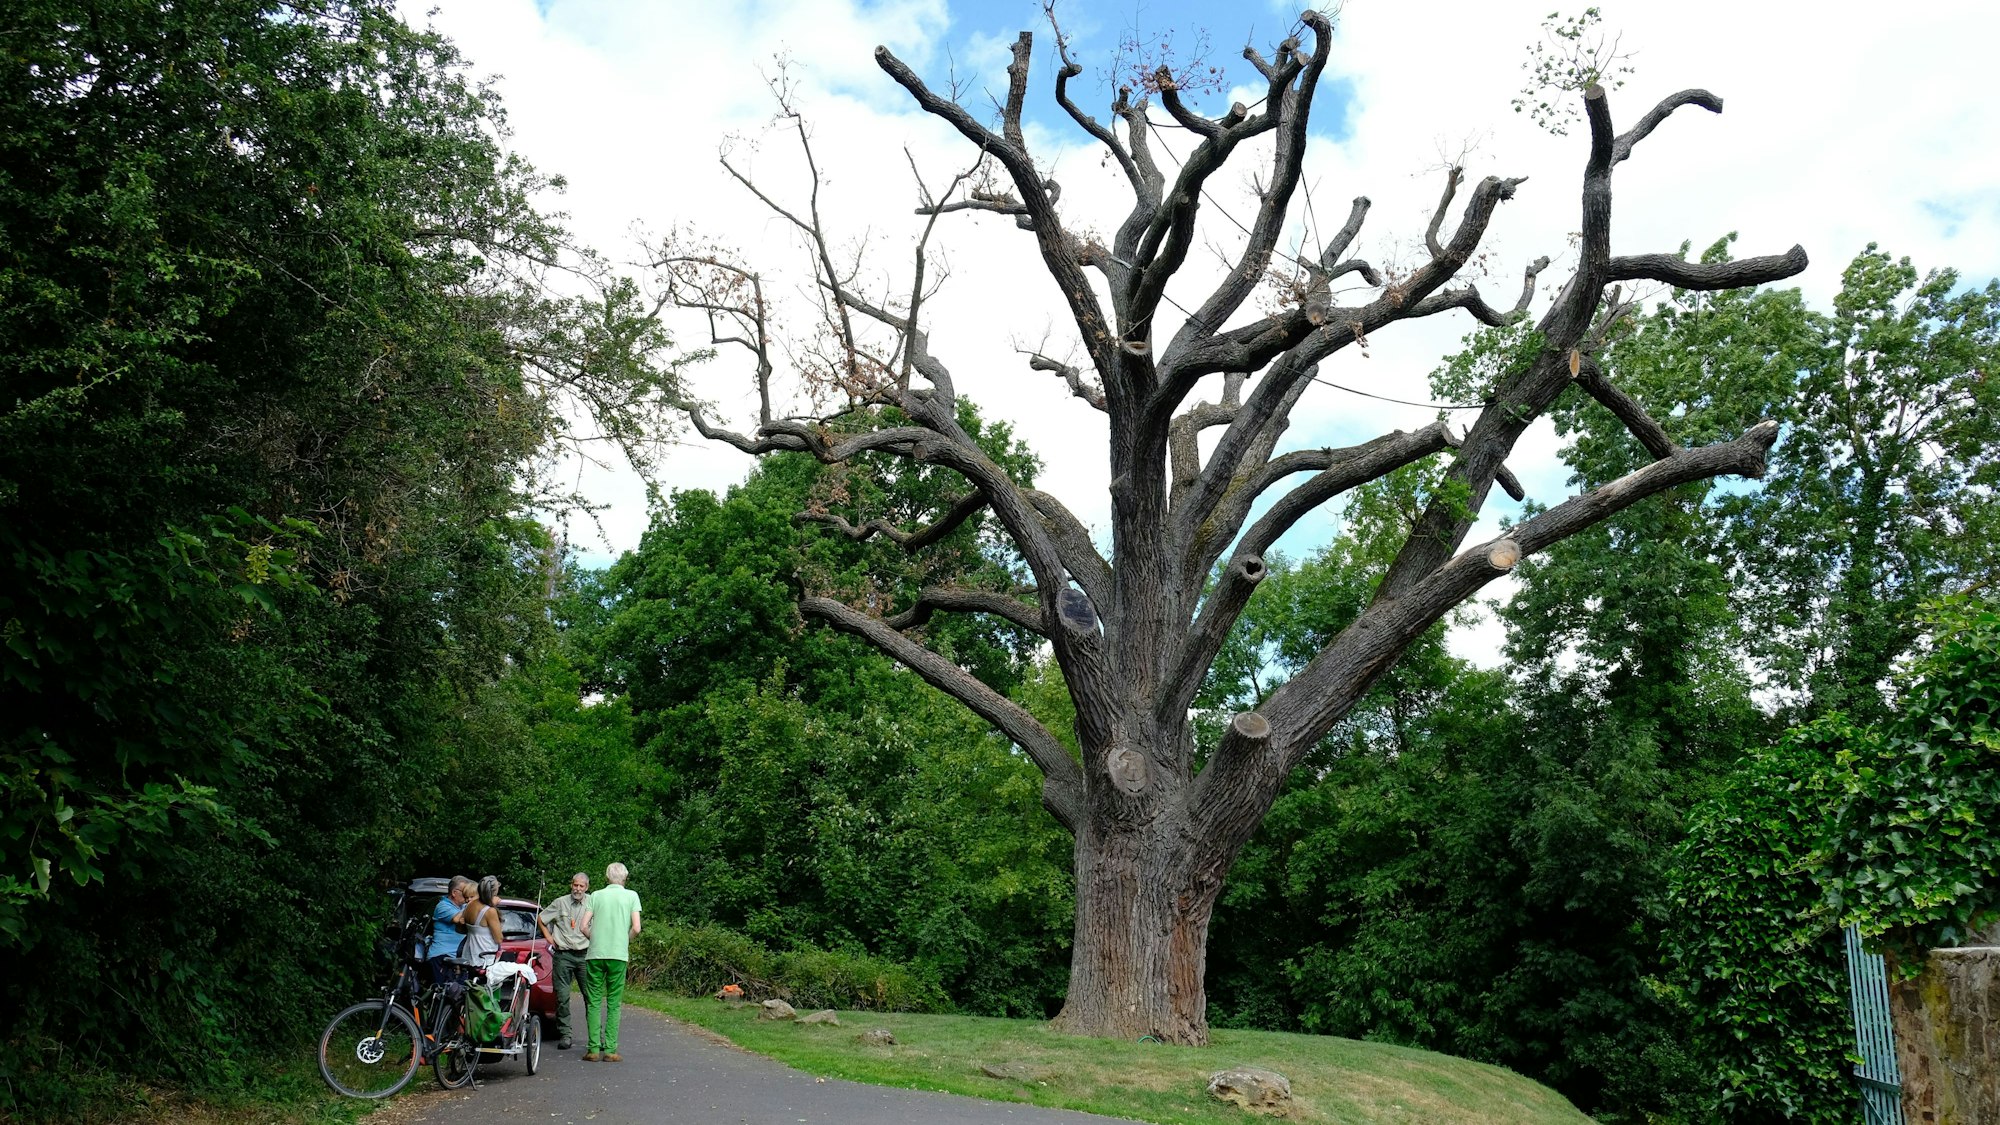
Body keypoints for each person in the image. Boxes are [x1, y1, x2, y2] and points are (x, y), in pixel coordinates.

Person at [578, 861, 641, 1062]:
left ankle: (593, 1049)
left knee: (594, 1001)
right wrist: (625, 940)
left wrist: (593, 939)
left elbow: (583, 926)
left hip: (596, 954)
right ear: (625, 878)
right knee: (614, 1003)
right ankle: (611, 1050)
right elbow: (637, 928)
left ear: (607, 877)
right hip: (618, 955)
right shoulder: (632, 896)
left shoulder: (596, 895)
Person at [536, 872, 591, 1050]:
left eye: (581, 886)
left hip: (584, 955)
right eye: (575, 885)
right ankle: (565, 1034)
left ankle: (594, 1037)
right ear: (571, 885)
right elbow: (541, 918)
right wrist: (549, 938)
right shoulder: (560, 902)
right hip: (563, 955)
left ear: (587, 887)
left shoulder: (592, 902)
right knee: (562, 996)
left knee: (591, 996)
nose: (578, 889)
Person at [427, 876, 475, 983]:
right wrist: (473, 903)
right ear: (454, 893)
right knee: (441, 994)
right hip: (442, 957)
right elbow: (458, 919)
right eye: (465, 892)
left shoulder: (463, 907)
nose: (467, 896)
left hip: (460, 959)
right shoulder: (442, 906)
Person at [459, 876, 505, 969]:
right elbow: (498, 939)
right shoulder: (490, 911)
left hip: (468, 954)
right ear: (494, 892)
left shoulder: (470, 905)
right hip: (484, 956)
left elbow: (461, 929)